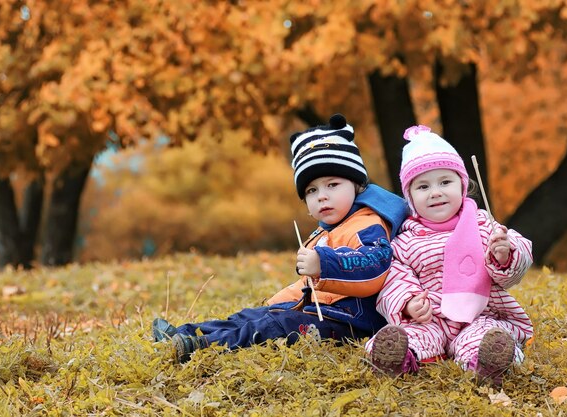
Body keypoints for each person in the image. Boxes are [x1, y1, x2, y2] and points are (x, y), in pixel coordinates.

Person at [152, 113, 409, 363]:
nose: (322, 196)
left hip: (348, 322)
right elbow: (306, 286)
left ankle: (202, 347)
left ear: (357, 186)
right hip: (318, 311)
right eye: (311, 190)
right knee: (255, 315)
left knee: (274, 326)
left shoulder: (367, 224)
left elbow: (375, 266)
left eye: (333, 185)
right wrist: (279, 301)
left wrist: (324, 264)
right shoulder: (323, 233)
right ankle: (185, 333)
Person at [366, 125, 533, 386]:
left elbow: (519, 258)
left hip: (480, 314)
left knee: (483, 337)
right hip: (431, 317)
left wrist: (505, 253)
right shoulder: (407, 239)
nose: (435, 192)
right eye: (423, 186)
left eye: (445, 182)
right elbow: (394, 276)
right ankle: (397, 358)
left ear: (463, 186)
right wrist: (408, 303)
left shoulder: (482, 225)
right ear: (409, 197)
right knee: (409, 335)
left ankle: (489, 363)